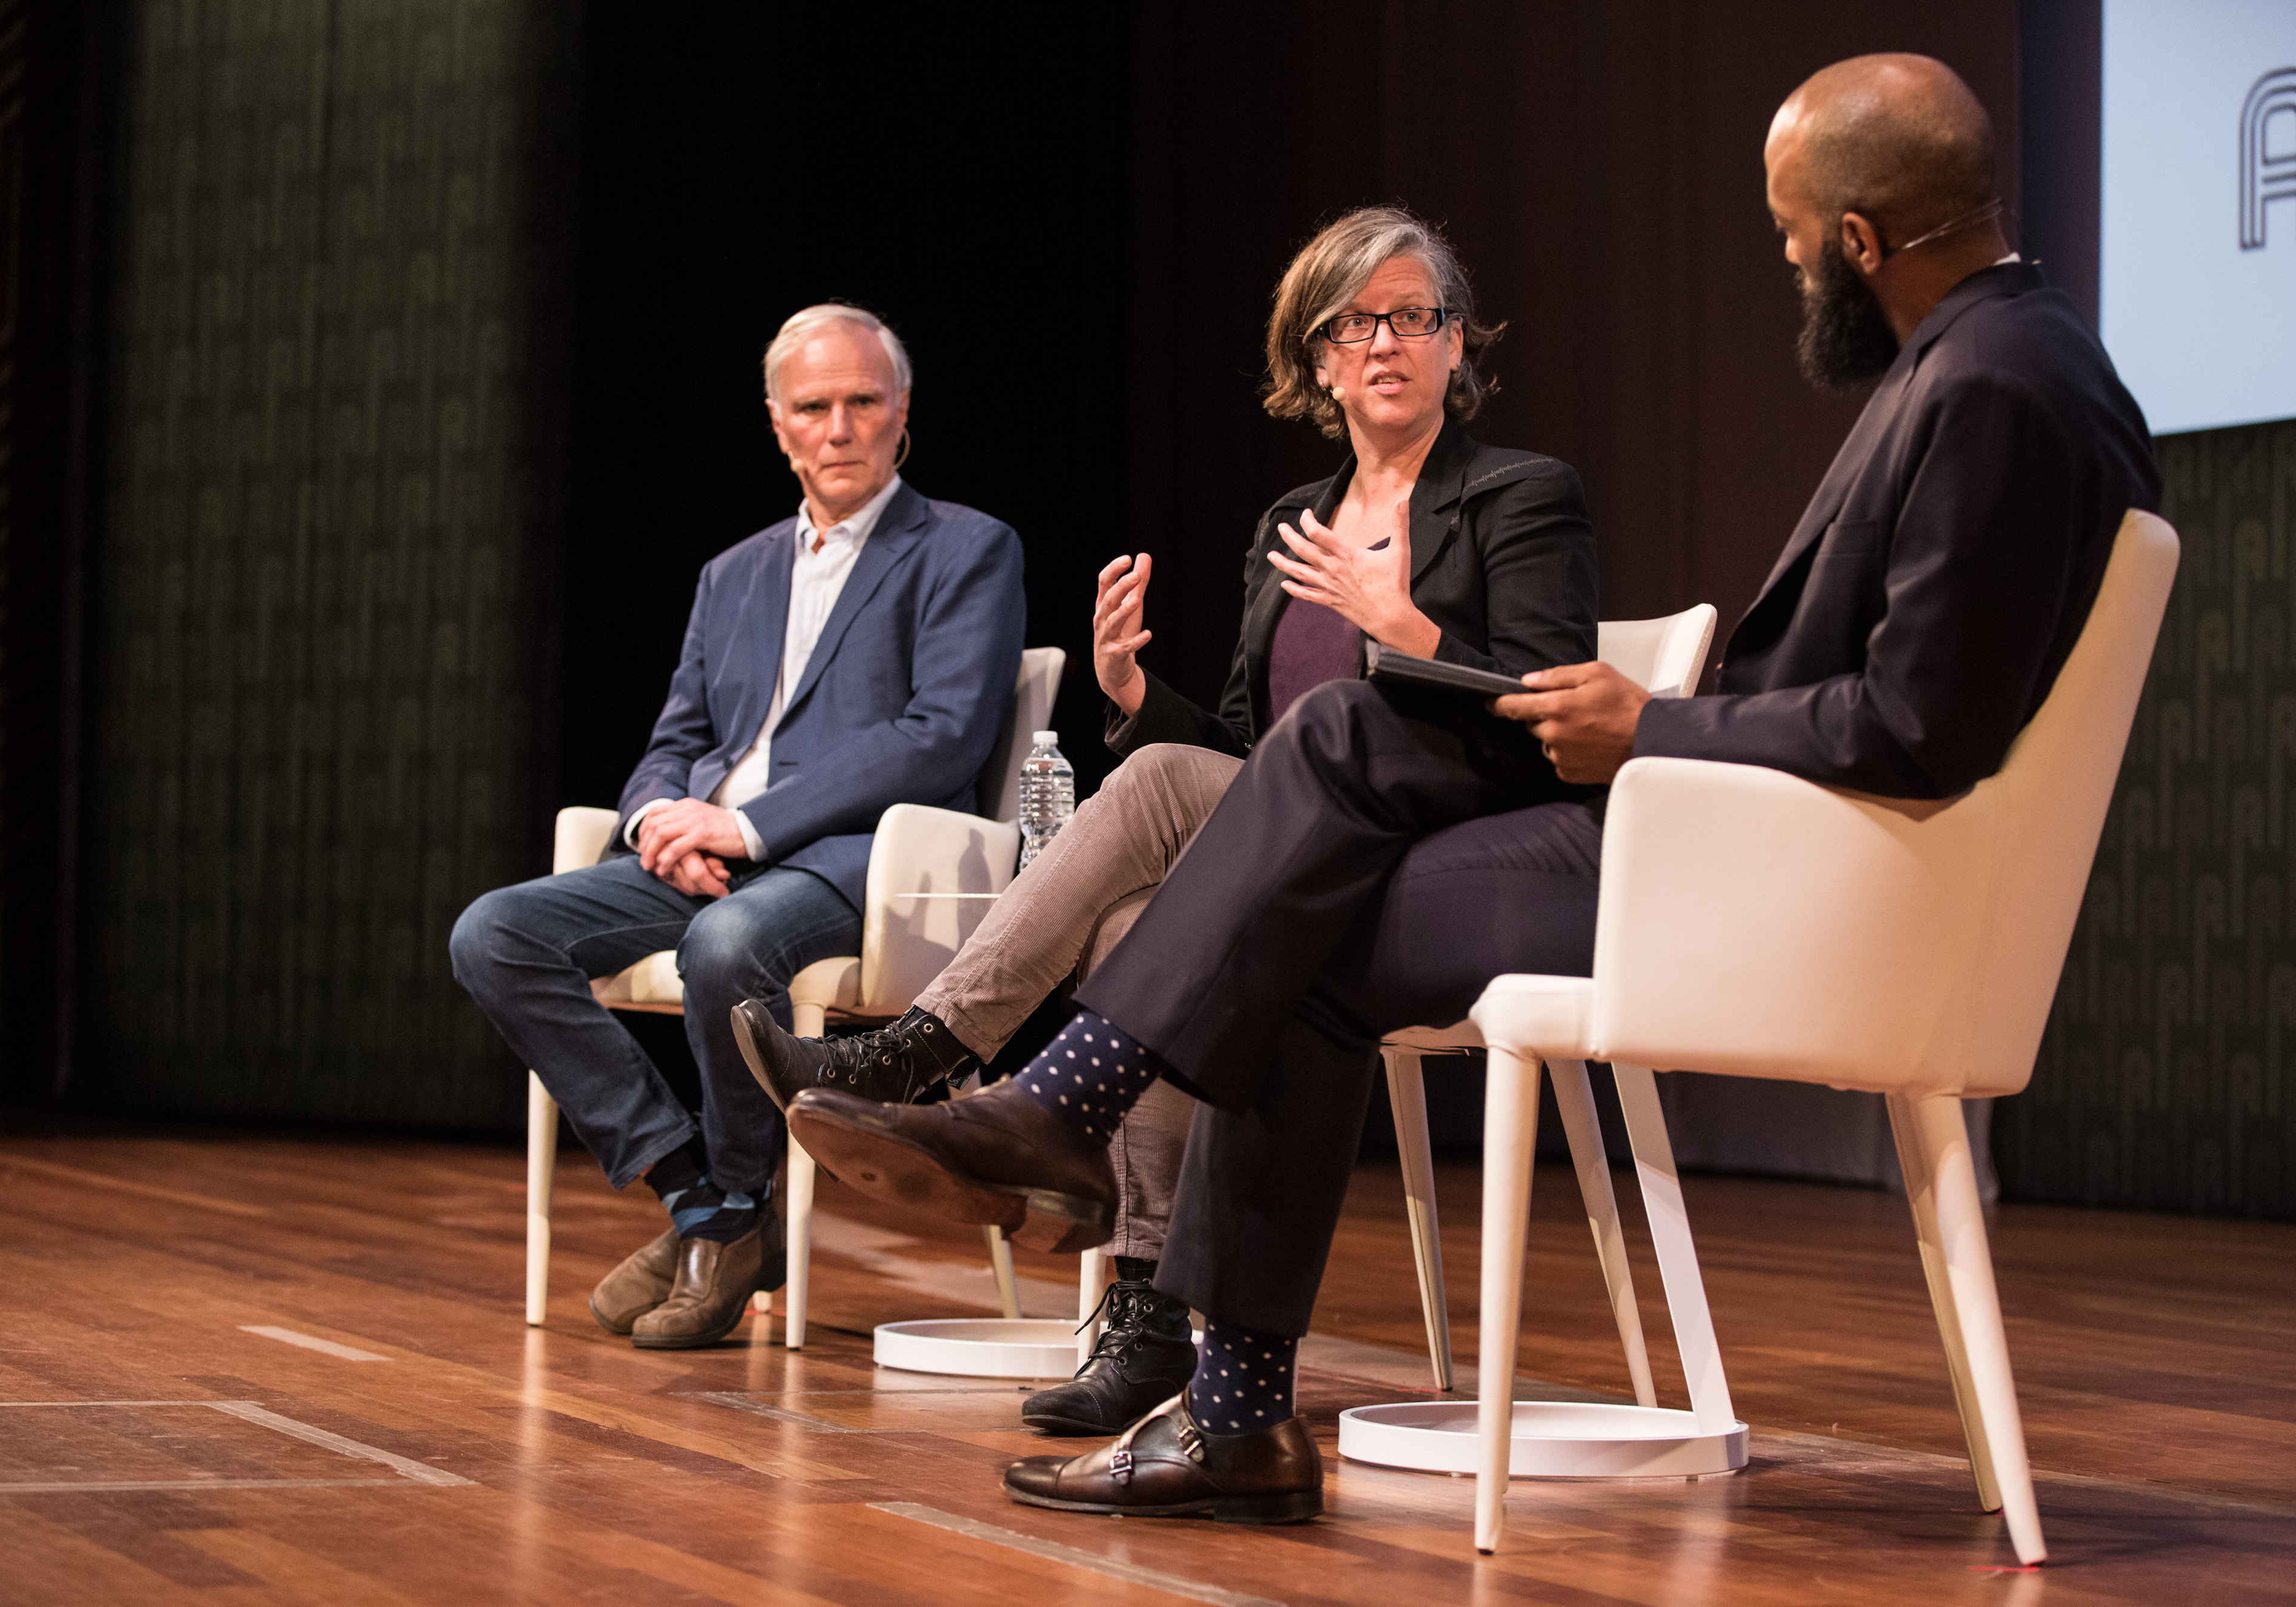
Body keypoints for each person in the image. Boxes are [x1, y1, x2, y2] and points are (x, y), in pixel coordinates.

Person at [786, 52, 2160, 1524]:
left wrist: (1655, 730)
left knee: (1294, 911)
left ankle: (1103, 1176)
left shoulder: (1997, 385)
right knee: (1309, 819)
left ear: (1858, 238)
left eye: (1784, 230)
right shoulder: (1998, 360)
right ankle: (1137, 1249)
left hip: (1763, 875)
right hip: (1726, 844)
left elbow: (1919, 725)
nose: (1782, 257)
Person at [730, 206, 1600, 1434]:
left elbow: (1550, 707)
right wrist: (1138, 696)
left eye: (1416, 317)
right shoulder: (1287, 527)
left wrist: (1400, 626)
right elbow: (1249, 756)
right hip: (1294, 849)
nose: (1387, 343)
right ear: (1312, 360)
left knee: (1145, 802)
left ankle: (935, 1060)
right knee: (1143, 905)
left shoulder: (1519, 496)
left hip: (1446, 849)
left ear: (1459, 346)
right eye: (1353, 323)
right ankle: (1145, 1322)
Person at [449, 304, 1024, 1349]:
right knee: (495, 932)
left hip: (855, 862)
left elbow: (939, 737)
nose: (840, 427)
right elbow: (677, 736)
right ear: (778, 425)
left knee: (727, 945)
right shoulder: (735, 573)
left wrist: (747, 828)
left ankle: (723, 1218)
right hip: (711, 852)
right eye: (815, 407)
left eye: (863, 402)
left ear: (903, 415)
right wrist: (655, 822)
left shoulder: (966, 548)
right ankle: (706, 1202)